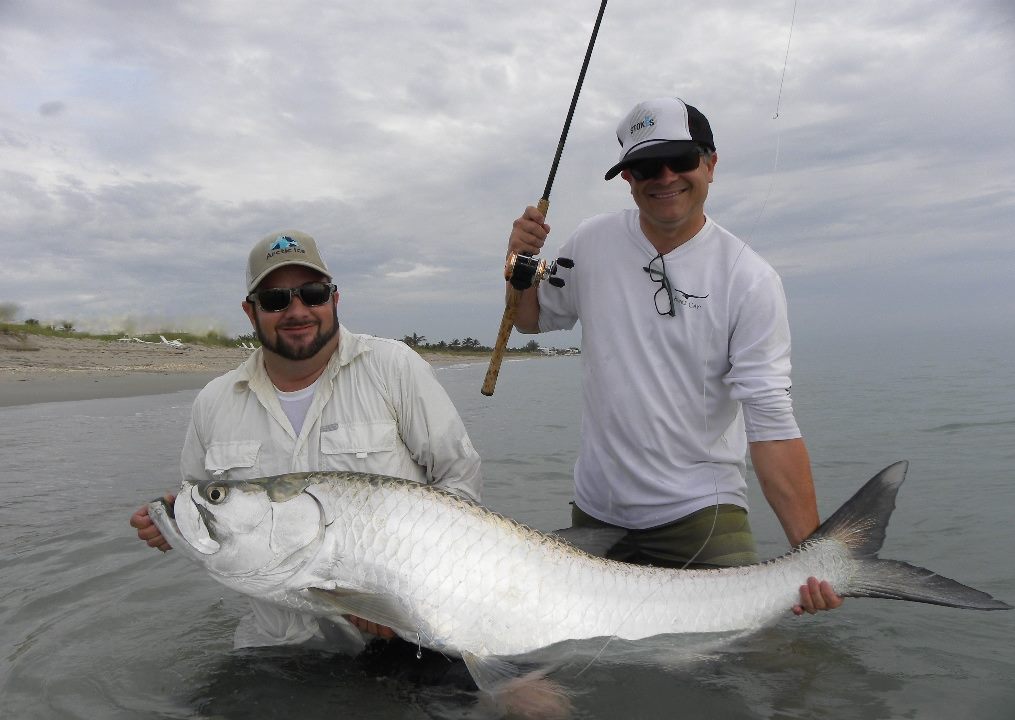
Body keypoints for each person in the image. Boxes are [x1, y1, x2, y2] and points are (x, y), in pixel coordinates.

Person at [507, 97, 841, 615]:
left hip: (700, 516)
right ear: (627, 178)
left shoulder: (750, 280)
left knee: (737, 670)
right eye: (644, 166)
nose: (663, 177)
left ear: (710, 164)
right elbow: (531, 318)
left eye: (680, 160)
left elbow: (771, 422)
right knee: (584, 667)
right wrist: (515, 265)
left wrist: (811, 549)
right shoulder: (591, 242)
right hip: (595, 515)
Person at [130, 229, 483, 650]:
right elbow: (203, 505)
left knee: (526, 704)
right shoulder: (213, 402)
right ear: (250, 312)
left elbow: (460, 485)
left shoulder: (394, 368)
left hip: (406, 637)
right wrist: (172, 527)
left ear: (334, 299)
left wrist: (403, 595)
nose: (297, 310)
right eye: (276, 300)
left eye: (312, 293)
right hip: (275, 647)